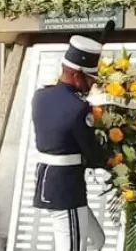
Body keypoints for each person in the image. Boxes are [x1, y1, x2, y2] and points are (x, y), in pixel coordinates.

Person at [32, 36, 106, 251]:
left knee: (96, 240)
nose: (92, 84)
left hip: (48, 182)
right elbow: (91, 153)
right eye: (90, 78)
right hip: (67, 190)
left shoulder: (41, 96)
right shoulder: (79, 108)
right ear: (76, 75)